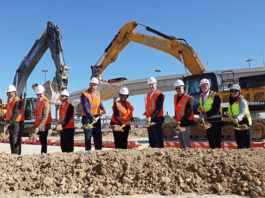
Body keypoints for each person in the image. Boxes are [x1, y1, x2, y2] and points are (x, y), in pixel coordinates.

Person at [80, 77, 106, 150]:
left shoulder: (97, 93)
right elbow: (85, 108)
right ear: (89, 84)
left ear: (97, 85)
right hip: (87, 118)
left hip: (96, 117)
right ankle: (88, 152)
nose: (92, 86)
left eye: (94, 85)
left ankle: (98, 151)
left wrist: (103, 108)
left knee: (98, 135)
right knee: (88, 136)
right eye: (91, 84)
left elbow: (99, 102)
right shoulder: (84, 94)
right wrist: (91, 117)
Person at [198, 78, 223, 149]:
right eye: (202, 86)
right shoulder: (201, 96)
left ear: (209, 86)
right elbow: (204, 106)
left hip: (216, 120)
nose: (204, 87)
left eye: (205, 85)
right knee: (210, 139)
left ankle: (218, 154)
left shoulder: (215, 95)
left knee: (216, 139)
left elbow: (216, 108)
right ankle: (212, 154)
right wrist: (200, 109)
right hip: (208, 121)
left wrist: (206, 115)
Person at [228, 84, 252, 148]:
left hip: (245, 122)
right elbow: (232, 112)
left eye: (236, 91)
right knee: (239, 141)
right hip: (236, 122)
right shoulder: (231, 101)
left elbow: (243, 112)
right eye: (232, 91)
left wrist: (238, 118)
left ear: (239, 92)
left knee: (246, 142)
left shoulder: (242, 100)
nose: (234, 93)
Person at [144, 77, 165, 148]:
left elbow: (158, 108)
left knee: (158, 138)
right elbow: (150, 106)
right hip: (149, 119)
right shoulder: (148, 95)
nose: (151, 86)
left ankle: (160, 152)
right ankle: (153, 153)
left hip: (157, 119)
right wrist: (146, 112)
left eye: (152, 84)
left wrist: (151, 116)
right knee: (151, 138)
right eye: (150, 85)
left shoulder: (160, 95)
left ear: (156, 84)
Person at [173, 79, 194, 149]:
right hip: (179, 122)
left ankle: (188, 153)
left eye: (179, 88)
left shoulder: (188, 98)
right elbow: (176, 108)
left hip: (186, 121)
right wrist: (176, 116)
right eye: (176, 88)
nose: (178, 90)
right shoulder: (175, 97)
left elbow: (189, 112)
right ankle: (182, 153)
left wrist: (181, 121)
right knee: (180, 139)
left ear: (183, 87)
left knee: (186, 138)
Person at [4, 85, 24, 155]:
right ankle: (13, 154)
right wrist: (6, 119)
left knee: (15, 140)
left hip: (17, 123)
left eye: (10, 92)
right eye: (8, 92)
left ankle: (16, 155)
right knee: (12, 139)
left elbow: (15, 114)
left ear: (14, 92)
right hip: (12, 122)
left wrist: (9, 123)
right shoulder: (9, 100)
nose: (8, 94)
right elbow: (9, 112)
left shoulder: (17, 101)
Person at [34, 84, 52, 153]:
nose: (39, 96)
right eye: (37, 94)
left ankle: (43, 154)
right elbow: (37, 115)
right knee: (41, 140)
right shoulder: (38, 102)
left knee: (43, 141)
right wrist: (36, 125)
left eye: (40, 94)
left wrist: (38, 127)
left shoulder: (45, 102)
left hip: (45, 125)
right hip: (39, 125)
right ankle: (43, 154)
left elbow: (45, 117)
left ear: (43, 92)